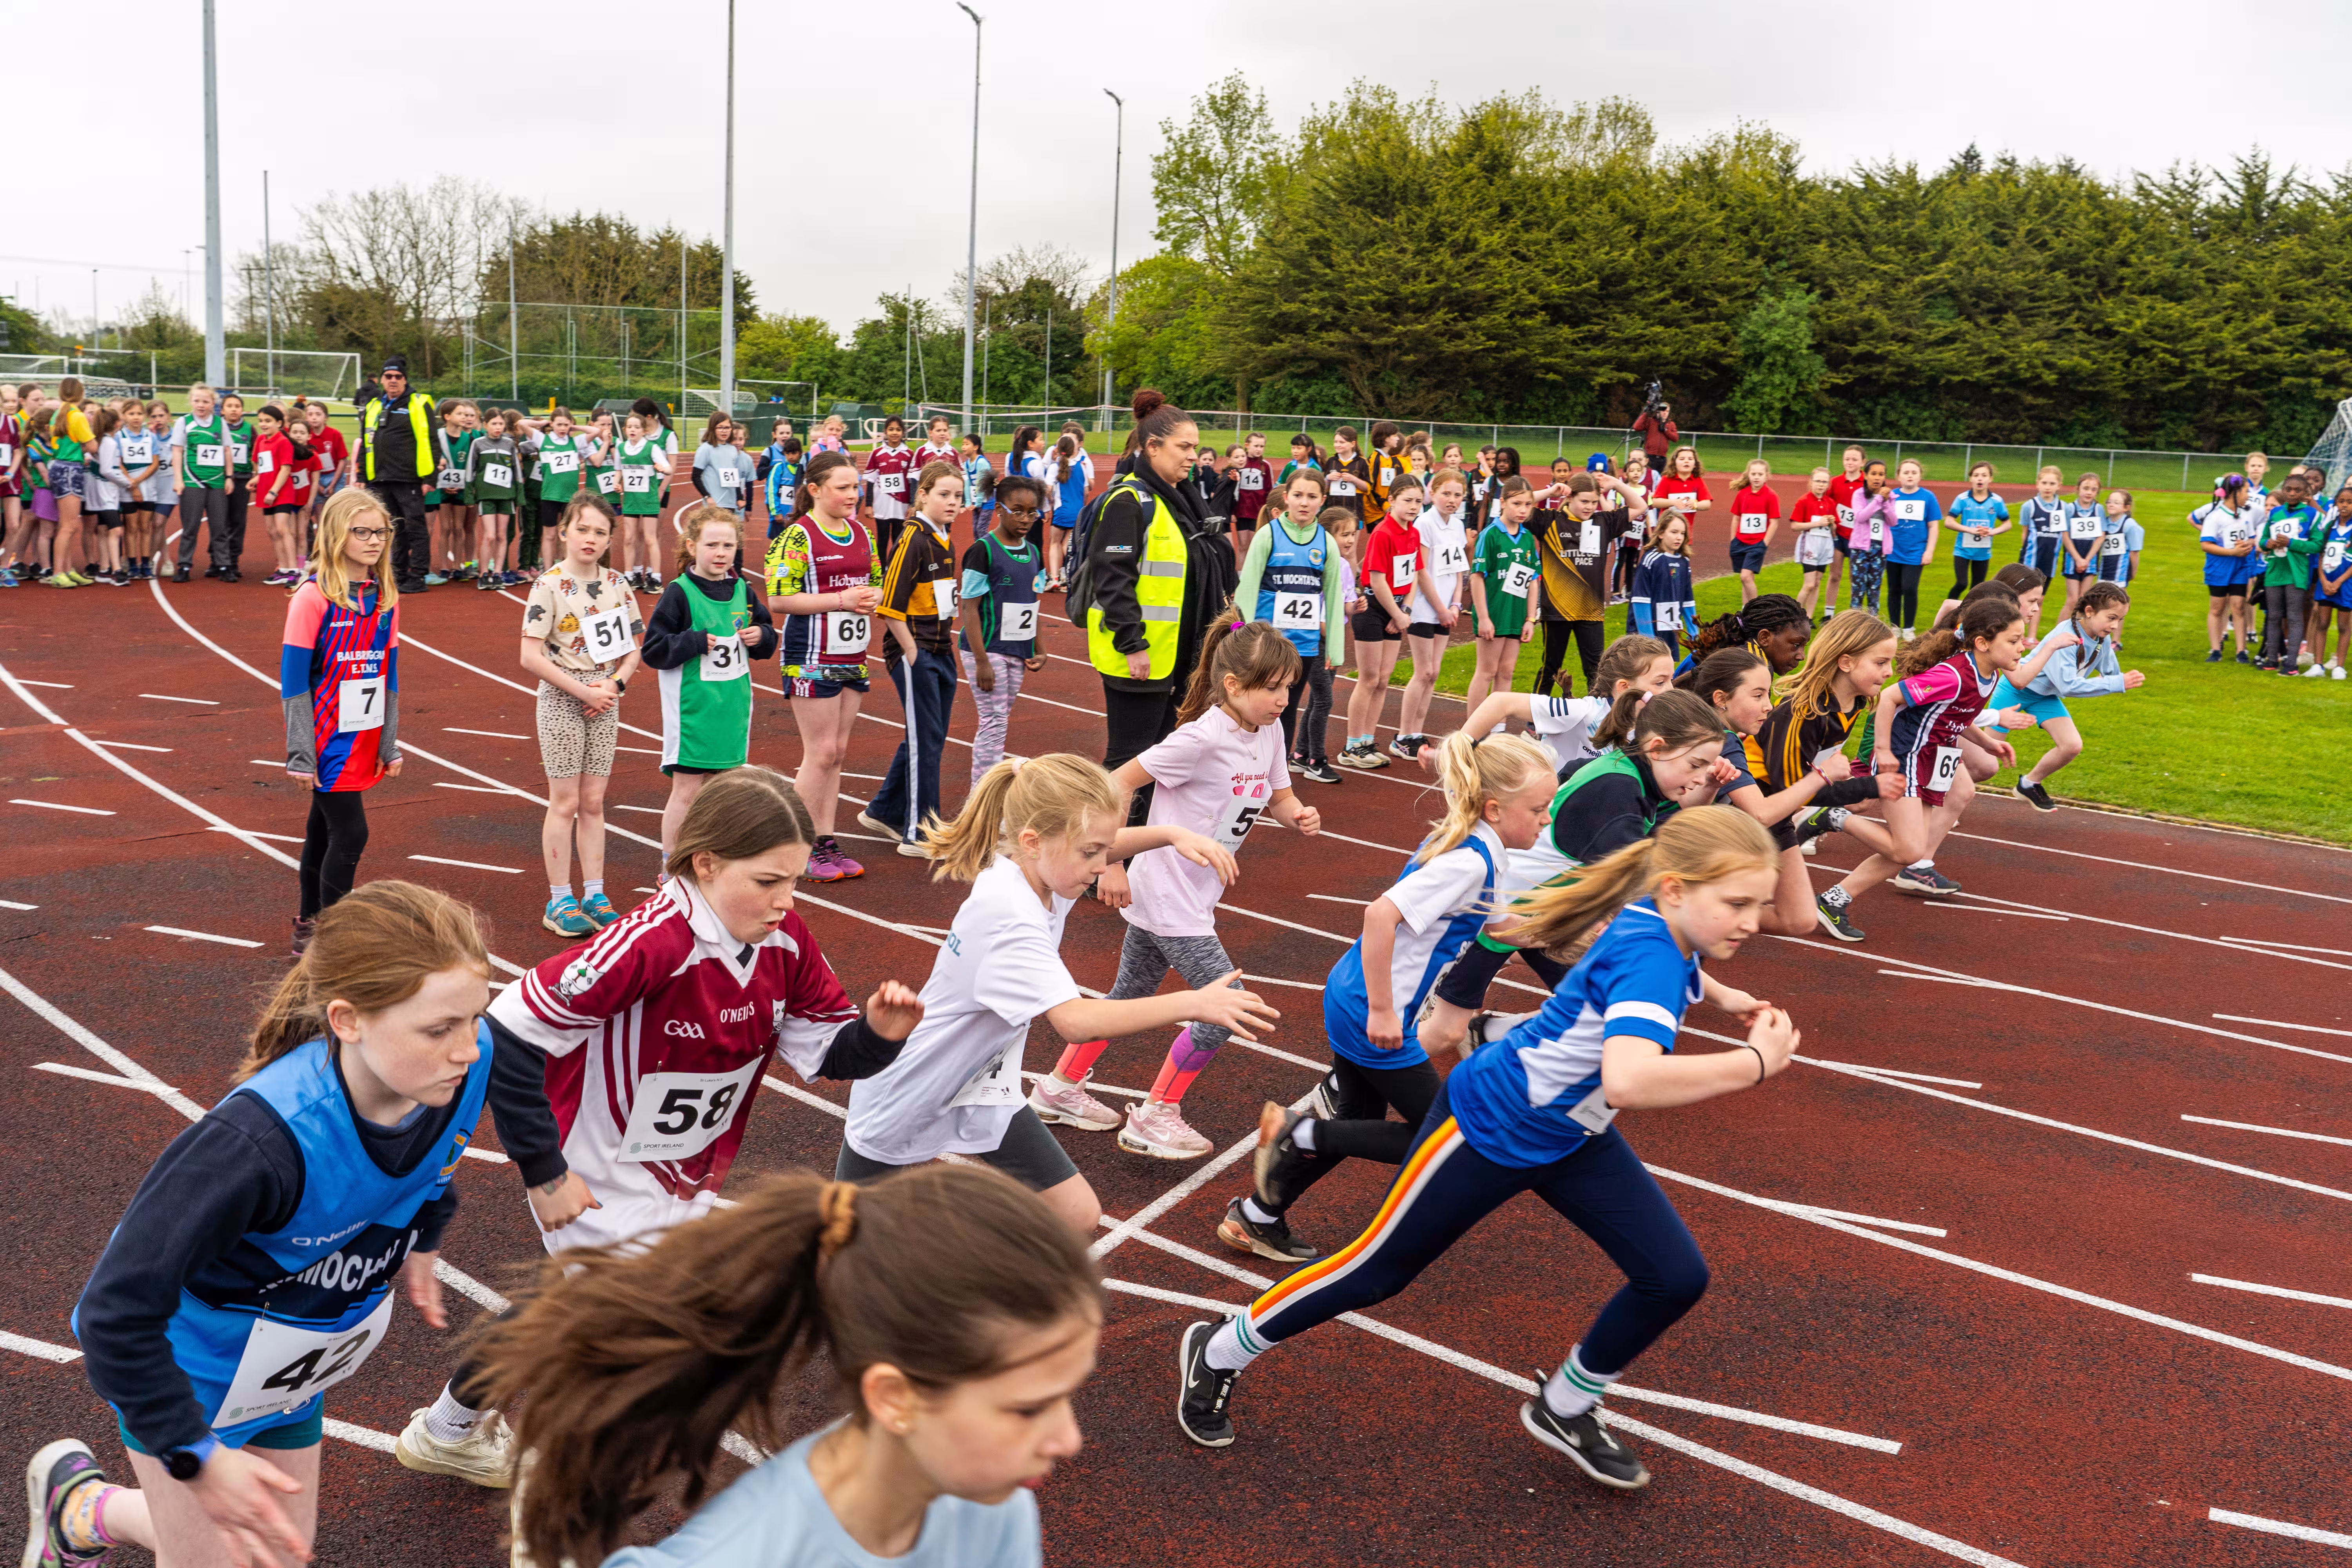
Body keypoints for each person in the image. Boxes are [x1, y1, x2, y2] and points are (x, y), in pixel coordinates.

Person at [1181, 806, 1799, 1497]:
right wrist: (1756, 1064)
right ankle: (1220, 1346)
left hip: (1571, 1133)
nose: (1752, 921)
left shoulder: (1658, 924)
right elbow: (1630, 1078)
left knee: (1676, 1276)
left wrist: (1716, 992)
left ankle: (1565, 1406)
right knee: (1376, 1271)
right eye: (1739, 903)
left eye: (1760, 904)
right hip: (1493, 1125)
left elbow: (1640, 971)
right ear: (1679, 889)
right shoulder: (1654, 955)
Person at [397, 768, 929, 1487]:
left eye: (795, 882)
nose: (785, 901)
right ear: (706, 863)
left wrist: (879, 1034)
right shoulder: (651, 942)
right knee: (647, 1339)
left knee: (574, 1306)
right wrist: (547, 1175)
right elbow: (508, 1035)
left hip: (685, 1172)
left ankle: (449, 1430)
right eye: (769, 881)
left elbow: (830, 1057)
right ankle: (557, 1504)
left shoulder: (786, 942)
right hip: (599, 1172)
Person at [27, 884, 500, 1568]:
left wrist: (426, 1236)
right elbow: (113, 1313)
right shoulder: (256, 1147)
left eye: (475, 1019)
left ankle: (81, 1511)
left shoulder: (466, 1063)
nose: (467, 1048)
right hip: (191, 1375)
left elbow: (436, 1166)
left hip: (288, 1366)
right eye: (439, 1030)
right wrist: (196, 1457)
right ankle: (96, 1509)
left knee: (277, 1553)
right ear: (348, 1020)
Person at [470, 1165, 1096, 1568]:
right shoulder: (739, 1555)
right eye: (1027, 1407)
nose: (1070, 1438)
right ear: (895, 1398)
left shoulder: (996, 1503)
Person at [838, 755, 1277, 1232]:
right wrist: (1196, 1002)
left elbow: (1101, 844)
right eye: (1092, 853)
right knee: (848, 1237)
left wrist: (1171, 835)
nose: (1102, 863)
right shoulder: (1011, 914)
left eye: (1104, 851)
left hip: (983, 1085)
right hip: (911, 1088)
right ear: (1034, 841)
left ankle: (969, 1285)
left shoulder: (1040, 869)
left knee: (1076, 1213)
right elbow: (1075, 1022)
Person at [1230, 731, 1556, 1263]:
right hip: (1371, 1009)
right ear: (1496, 809)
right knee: (1445, 1140)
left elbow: (1505, 929)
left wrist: (1585, 927)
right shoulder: (1470, 861)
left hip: (1357, 996)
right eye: (1540, 809)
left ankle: (1257, 1217)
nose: (1547, 820)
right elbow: (1380, 915)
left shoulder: (1486, 851)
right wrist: (1383, 1009)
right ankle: (1297, 1131)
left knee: (1357, 1117)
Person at [1032, 619, 1320, 1160]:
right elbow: (1116, 782)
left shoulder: (1270, 732)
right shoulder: (1199, 738)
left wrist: (1297, 815)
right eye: (1273, 688)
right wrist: (1109, 865)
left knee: (1129, 998)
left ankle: (1059, 1087)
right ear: (1234, 685)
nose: (1284, 699)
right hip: (1168, 896)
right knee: (1225, 1010)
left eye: (1288, 687)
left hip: (1189, 893)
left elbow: (1279, 797)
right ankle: (1158, 1113)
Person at [1414, 688, 1731, 1056]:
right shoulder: (1618, 794)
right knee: (1444, 1033)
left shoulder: (1631, 772)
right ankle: (1344, 1084)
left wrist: (1707, 784)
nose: (1700, 775)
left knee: (1593, 1013)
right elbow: (1636, 899)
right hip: (1500, 914)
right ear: (1657, 748)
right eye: (1696, 765)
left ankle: (1491, 1035)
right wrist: (1721, 991)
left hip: (1544, 913)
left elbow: (1673, 820)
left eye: (1708, 766)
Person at [1814, 594, 2027, 942]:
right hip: (1907, 755)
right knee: (1910, 849)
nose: (2023, 648)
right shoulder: (1953, 674)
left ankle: (1832, 899)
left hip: (1934, 760)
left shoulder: (1987, 673)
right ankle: (1834, 820)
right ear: (1982, 643)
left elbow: (1957, 714)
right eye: (2014, 641)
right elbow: (1889, 697)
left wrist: (1987, 743)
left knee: (1910, 848)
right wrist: (1883, 749)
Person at [1084, 392, 1240, 793]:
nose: (1194, 456)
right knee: (1130, 759)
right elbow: (1112, 578)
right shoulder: (1129, 501)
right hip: (1141, 658)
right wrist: (1133, 643)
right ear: (1153, 447)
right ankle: (1107, 850)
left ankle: (1142, 850)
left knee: (1165, 760)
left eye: (1194, 446)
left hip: (1179, 656)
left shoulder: (1184, 502)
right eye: (1184, 447)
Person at [281, 490, 402, 956]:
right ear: (337, 535)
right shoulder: (312, 599)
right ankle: (335, 938)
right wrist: (300, 752)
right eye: (362, 532)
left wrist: (388, 744)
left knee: (322, 829)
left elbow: (389, 676)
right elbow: (293, 683)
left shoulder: (385, 599)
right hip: (327, 738)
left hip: (364, 735)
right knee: (351, 833)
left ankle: (309, 921)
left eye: (381, 532)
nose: (375, 541)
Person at [520, 495, 643, 934]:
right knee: (566, 801)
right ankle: (559, 900)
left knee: (594, 802)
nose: (590, 539)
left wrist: (614, 685)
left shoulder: (618, 584)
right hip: (562, 700)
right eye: (583, 529)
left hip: (605, 702)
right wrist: (581, 691)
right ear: (565, 531)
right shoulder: (548, 585)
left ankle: (595, 892)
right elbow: (530, 656)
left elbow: (634, 649)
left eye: (600, 532)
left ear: (610, 539)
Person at [766, 449, 882, 883]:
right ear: (815, 490)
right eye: (844, 488)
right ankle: (791, 842)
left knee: (838, 753)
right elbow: (778, 599)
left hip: (851, 654)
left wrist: (870, 597)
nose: (854, 495)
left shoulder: (861, 533)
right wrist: (841, 600)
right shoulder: (797, 537)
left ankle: (825, 839)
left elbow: (874, 579)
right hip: (811, 655)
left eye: (856, 487)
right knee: (821, 752)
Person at [1744, 608, 1902, 907]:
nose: (1889, 671)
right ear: (1846, 662)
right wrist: (1870, 787)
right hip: (1751, 808)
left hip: (1780, 813)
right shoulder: (1801, 713)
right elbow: (1787, 788)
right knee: (1749, 900)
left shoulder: (1854, 702)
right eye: (1881, 662)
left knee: (1794, 914)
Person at [642, 501, 777, 853]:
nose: (721, 554)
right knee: (687, 792)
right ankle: (672, 869)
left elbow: (767, 638)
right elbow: (653, 649)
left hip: (732, 709)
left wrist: (761, 636)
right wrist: (694, 641)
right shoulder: (679, 593)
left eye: (728, 546)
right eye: (712, 545)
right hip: (693, 713)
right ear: (692, 547)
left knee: (726, 794)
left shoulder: (743, 591)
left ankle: (716, 860)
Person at [857, 461, 965, 853]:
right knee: (927, 742)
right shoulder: (913, 539)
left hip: (941, 648)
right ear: (923, 495)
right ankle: (920, 831)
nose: (953, 502)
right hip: (916, 651)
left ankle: (884, 810)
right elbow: (889, 605)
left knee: (928, 736)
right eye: (944, 495)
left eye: (958, 496)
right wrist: (912, 651)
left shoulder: (946, 541)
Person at [1983, 580, 2145, 809]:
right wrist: (2116, 683)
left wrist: (2119, 680)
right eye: (2111, 618)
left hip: (2045, 696)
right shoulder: (2066, 637)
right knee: (1985, 761)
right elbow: (2069, 686)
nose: (2115, 626)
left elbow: (2111, 673)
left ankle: (2029, 784)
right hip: (2016, 690)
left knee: (2071, 746)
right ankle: (1945, 796)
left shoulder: (2102, 639)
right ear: (2089, 612)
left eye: (2120, 620)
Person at [1236, 466, 1349, 782]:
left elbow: (1334, 596)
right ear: (1286, 498)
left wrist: (1336, 650)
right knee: (1254, 709)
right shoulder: (1268, 535)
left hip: (1304, 645)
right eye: (1298, 495)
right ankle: (1243, 771)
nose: (1304, 503)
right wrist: (1241, 637)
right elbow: (1247, 588)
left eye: (1312, 497)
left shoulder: (1326, 543)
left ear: (1322, 501)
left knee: (1285, 711)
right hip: (1266, 645)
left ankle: (1276, 778)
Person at [1453, 633, 1675, 777]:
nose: (1671, 689)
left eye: (1671, 680)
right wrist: (1458, 754)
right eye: (1660, 682)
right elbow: (1499, 702)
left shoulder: (1652, 732)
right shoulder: (1585, 712)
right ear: (1624, 687)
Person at [958, 472, 1050, 781]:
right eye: (1018, 511)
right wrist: (982, 661)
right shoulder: (982, 551)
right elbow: (969, 608)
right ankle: (982, 797)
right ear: (999, 509)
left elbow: (1031, 603)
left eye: (1032, 512)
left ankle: (985, 796)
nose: (1026, 519)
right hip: (986, 649)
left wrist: (1039, 647)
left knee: (1001, 719)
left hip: (1017, 649)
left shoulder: (1034, 553)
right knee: (994, 722)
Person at [1337, 473, 1422, 769]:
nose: (1413, 507)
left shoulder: (1414, 533)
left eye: (1418, 502)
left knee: (1384, 681)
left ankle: (1368, 741)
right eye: (1408, 501)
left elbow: (1413, 576)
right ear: (1392, 501)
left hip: (1397, 611)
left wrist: (1405, 612)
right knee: (1369, 678)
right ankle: (1351, 745)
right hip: (1373, 608)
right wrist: (1396, 614)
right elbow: (1377, 579)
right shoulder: (1383, 533)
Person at [1395, 466, 1470, 757]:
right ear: (1432, 493)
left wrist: (1455, 604)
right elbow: (1421, 570)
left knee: (1434, 673)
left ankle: (1417, 731)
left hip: (1446, 610)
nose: (1452, 499)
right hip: (1426, 609)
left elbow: (1458, 568)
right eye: (1446, 493)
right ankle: (1403, 735)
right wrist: (1440, 608)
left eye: (1458, 495)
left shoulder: (1458, 525)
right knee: (1423, 670)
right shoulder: (1424, 524)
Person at [356, 357, 438, 593]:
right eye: (388, 376)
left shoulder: (418, 402)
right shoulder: (374, 405)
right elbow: (365, 443)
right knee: (392, 529)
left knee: (416, 528)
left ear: (405, 379)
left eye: (398, 377)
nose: (393, 381)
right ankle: (398, 573)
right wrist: (362, 473)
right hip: (380, 478)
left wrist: (430, 478)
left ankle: (419, 574)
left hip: (409, 478)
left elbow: (431, 440)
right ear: (381, 380)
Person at [1464, 474, 1540, 716]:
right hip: (1494, 614)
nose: (1523, 510)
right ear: (1503, 503)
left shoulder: (1528, 538)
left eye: (1528, 505)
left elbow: (1533, 580)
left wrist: (1530, 618)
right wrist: (1484, 618)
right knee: (1486, 671)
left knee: (1506, 672)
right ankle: (1471, 734)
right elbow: (1477, 577)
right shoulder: (1491, 535)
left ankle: (1497, 728)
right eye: (1517, 504)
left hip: (1516, 616)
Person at [2253, 473, 2325, 672]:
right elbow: (2263, 539)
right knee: (2274, 616)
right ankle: (2272, 660)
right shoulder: (2276, 513)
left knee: (2294, 617)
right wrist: (2266, 543)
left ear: (2306, 493)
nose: (2292, 493)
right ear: (2283, 491)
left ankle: (2291, 663)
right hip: (2275, 570)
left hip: (2296, 572)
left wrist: (2292, 543)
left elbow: (2317, 545)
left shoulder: (2312, 514)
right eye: (2288, 490)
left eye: (2298, 490)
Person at [2194, 475, 2258, 664]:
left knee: (2239, 606)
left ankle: (2242, 651)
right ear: (2234, 493)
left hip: (2240, 567)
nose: (2249, 496)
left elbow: (2252, 538)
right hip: (2219, 569)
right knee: (2217, 608)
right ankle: (2216, 650)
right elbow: (2206, 544)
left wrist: (2248, 544)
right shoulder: (2215, 516)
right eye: (2246, 491)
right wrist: (2232, 552)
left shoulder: (2246, 515)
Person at [1938, 460, 2009, 619]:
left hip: (1983, 552)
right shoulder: (1963, 499)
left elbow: (2008, 523)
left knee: (1977, 588)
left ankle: (1969, 617)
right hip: (1962, 550)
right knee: (1962, 583)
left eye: (1984, 475)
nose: (1980, 479)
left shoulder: (1996, 501)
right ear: (1970, 478)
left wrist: (1993, 532)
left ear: (1990, 479)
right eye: (1976, 475)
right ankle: (1948, 611)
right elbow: (1949, 521)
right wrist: (1969, 530)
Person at [464, 408, 525, 591]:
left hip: (506, 496)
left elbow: (517, 471)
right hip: (486, 496)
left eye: (501, 424)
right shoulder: (478, 444)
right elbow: (470, 470)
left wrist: (520, 496)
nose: (498, 428)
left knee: (502, 535)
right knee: (490, 536)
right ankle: (484, 574)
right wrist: (469, 495)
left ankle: (497, 573)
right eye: (494, 424)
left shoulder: (509, 444)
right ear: (486, 425)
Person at [614, 411, 675, 594]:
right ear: (625, 430)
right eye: (630, 427)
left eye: (637, 427)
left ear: (644, 431)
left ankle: (655, 577)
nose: (633, 430)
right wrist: (617, 482)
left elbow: (670, 468)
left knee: (650, 538)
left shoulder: (652, 448)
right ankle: (629, 576)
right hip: (631, 500)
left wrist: (662, 468)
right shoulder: (622, 448)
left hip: (648, 500)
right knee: (629, 538)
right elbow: (619, 469)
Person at [1882, 457, 1942, 635]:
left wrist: (1929, 551)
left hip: (1916, 552)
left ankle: (1909, 628)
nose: (1910, 476)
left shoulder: (1928, 497)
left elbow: (1933, 526)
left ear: (1920, 476)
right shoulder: (1892, 496)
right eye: (1906, 472)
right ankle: (1894, 627)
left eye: (1914, 473)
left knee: (1909, 588)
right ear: (1899, 476)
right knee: (1894, 589)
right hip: (1893, 551)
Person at [1630, 512, 1697, 657]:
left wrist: (1695, 634)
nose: (1679, 537)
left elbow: (1687, 601)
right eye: (1674, 532)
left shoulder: (1684, 562)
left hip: (1670, 629)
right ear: (1661, 533)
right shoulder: (1652, 560)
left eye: (1683, 533)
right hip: (1648, 632)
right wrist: (1648, 639)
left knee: (1668, 673)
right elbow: (1640, 600)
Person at [863, 414, 920, 570]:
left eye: (898, 430)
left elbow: (913, 481)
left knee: (899, 538)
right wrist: (869, 505)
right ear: (886, 432)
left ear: (903, 433)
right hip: (882, 505)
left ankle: (895, 568)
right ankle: (881, 570)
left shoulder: (909, 455)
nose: (895, 433)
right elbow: (870, 480)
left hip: (901, 506)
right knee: (882, 539)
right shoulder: (877, 454)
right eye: (891, 430)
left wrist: (913, 504)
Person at [2308, 483, 2352, 680]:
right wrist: (2324, 581)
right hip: (2326, 582)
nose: (2345, 506)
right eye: (2341, 501)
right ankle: (2318, 665)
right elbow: (2320, 555)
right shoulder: (2329, 527)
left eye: (2350, 502)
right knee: (2323, 622)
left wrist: (2339, 582)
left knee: (2344, 626)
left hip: (2346, 584)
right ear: (2335, 504)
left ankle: (2339, 667)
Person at [1788, 466, 1842, 621]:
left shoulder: (1830, 503)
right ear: (1811, 482)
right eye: (1818, 481)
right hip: (1810, 545)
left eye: (1825, 482)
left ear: (1828, 485)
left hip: (1825, 546)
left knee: (1817, 583)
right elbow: (1795, 526)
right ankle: (1795, 617)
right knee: (1810, 584)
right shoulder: (1804, 501)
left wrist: (1832, 524)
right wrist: (1817, 523)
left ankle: (1809, 617)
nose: (1821, 485)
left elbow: (1834, 528)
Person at [1843, 458, 1895, 614]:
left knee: (1874, 590)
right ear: (1866, 476)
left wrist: (1886, 503)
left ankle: (1873, 625)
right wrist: (1879, 499)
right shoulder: (1859, 495)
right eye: (1874, 474)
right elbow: (1861, 517)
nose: (1877, 478)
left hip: (1880, 549)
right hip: (1860, 548)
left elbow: (1893, 521)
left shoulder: (1890, 496)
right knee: (1858, 589)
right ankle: (1855, 624)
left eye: (1881, 474)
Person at [1043, 432, 1093, 589]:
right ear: (1074, 450)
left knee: (1055, 544)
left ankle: (1055, 578)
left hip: (1061, 511)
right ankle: (1073, 576)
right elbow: (1086, 491)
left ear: (1058, 450)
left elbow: (1048, 489)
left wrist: (1051, 500)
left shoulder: (1054, 468)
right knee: (1069, 545)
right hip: (1078, 512)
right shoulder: (1082, 467)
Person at [1726, 456, 1779, 603]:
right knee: (1746, 579)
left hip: (1757, 543)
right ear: (1748, 475)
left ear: (1767, 476)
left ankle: (1756, 609)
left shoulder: (1771, 496)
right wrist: (1733, 540)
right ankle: (1746, 610)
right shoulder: (1743, 494)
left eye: (1760, 474)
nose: (1757, 477)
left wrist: (1764, 543)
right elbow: (1736, 518)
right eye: (1754, 474)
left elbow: (1774, 522)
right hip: (1740, 542)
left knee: (1745, 576)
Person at [2016, 464, 2067, 613]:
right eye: (2044, 483)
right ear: (2038, 484)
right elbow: (2025, 533)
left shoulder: (2064, 508)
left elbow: (2064, 535)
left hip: (2049, 561)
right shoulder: (2029, 506)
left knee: (2040, 600)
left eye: (2052, 484)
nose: (2048, 487)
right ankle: (2017, 633)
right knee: (2022, 598)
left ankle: (2032, 636)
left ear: (2059, 486)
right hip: (2030, 560)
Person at [693, 413, 751, 516]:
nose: (724, 431)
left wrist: (740, 498)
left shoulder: (732, 449)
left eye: (727, 428)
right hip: (715, 504)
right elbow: (695, 476)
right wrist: (708, 497)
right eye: (720, 428)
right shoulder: (706, 449)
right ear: (713, 428)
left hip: (731, 504)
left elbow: (734, 478)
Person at [1231, 429, 1274, 539]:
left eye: (1262, 446)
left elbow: (1269, 490)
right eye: (1256, 446)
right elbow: (1231, 490)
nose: (1259, 449)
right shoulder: (1240, 463)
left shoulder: (1265, 466)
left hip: (1258, 511)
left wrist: (1267, 511)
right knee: (1243, 546)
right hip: (1241, 511)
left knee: (1254, 545)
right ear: (1247, 445)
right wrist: (1232, 511)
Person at [1632, 397, 1679, 473]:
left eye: (1667, 411)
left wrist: (1666, 431)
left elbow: (1676, 438)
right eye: (1663, 410)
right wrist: (1646, 414)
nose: (1665, 413)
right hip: (1650, 456)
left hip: (1663, 458)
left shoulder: (1671, 424)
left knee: (1660, 480)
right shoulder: (1651, 421)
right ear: (1658, 411)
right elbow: (1636, 427)